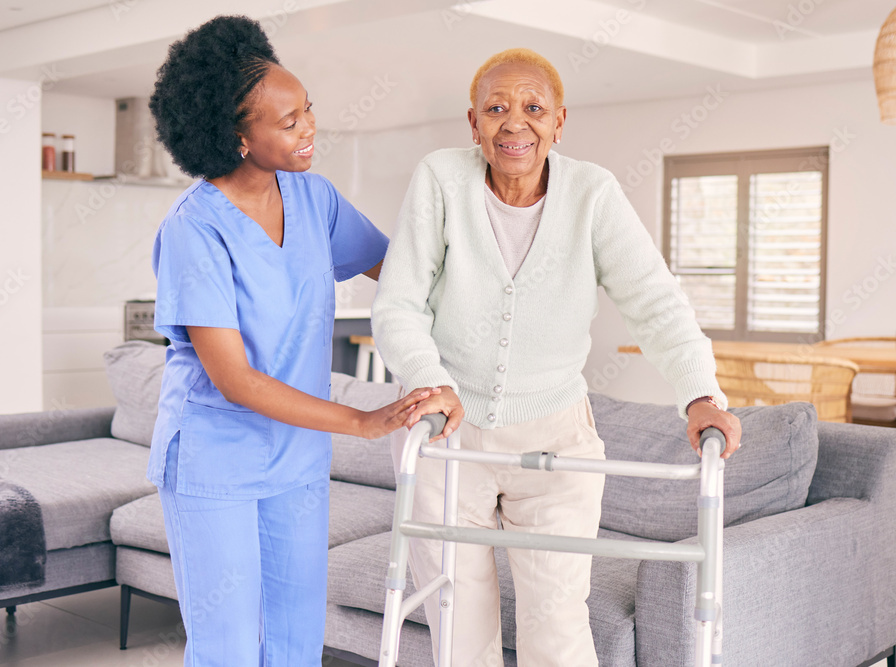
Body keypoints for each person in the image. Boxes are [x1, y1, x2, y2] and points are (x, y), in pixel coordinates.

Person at [371, 48, 742, 666]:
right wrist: (432, 383)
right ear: (474, 124)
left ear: (559, 122)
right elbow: (398, 304)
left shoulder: (592, 194)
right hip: (445, 431)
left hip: (556, 435)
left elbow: (655, 302)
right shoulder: (440, 178)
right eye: (496, 109)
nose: (515, 124)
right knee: (456, 619)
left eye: (533, 108)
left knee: (557, 620)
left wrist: (701, 394)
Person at [146, 16, 436, 667]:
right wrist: (361, 420)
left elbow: (403, 271)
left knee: (298, 636)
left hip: (297, 453)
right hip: (214, 456)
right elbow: (236, 379)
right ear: (236, 137)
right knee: (226, 644)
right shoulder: (196, 230)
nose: (308, 129)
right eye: (287, 121)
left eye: (307, 111)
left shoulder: (316, 200)